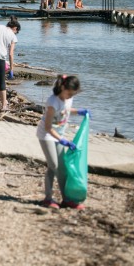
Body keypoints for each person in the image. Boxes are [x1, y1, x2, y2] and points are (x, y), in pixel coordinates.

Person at [36, 75, 89, 210]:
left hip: (58, 135)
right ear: (63, 88)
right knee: (53, 165)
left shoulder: (68, 98)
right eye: (69, 93)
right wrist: (63, 140)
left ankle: (66, 199)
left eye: (73, 94)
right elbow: (48, 127)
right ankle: (48, 198)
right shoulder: (52, 102)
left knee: (63, 168)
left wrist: (79, 111)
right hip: (46, 135)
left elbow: (66, 110)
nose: (70, 96)